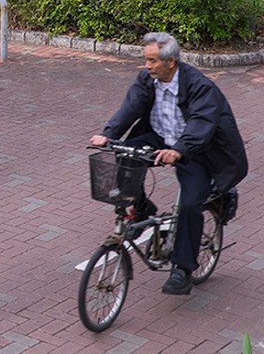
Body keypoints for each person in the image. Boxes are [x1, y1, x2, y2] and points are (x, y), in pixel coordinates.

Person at [89, 32, 247, 296]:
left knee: (189, 203)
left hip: (195, 149)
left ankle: (183, 270)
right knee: (125, 155)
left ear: (171, 61)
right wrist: (109, 134)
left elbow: (201, 123)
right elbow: (130, 107)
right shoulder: (147, 80)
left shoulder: (200, 86)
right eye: (146, 60)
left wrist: (179, 150)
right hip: (160, 137)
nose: (147, 66)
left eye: (152, 61)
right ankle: (142, 209)